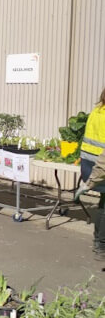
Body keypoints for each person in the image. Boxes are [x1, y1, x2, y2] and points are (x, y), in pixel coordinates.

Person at [74, 87, 105, 260]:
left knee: (103, 202)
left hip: (88, 163)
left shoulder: (97, 111)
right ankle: (101, 246)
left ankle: (98, 243)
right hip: (101, 166)